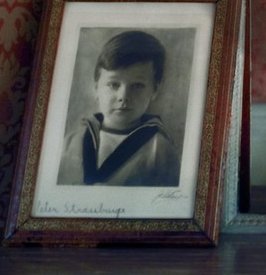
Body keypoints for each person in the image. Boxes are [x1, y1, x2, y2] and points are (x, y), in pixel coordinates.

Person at [56, 29, 182, 187]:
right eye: (113, 84)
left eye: (137, 86)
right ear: (96, 88)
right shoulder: (70, 142)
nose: (123, 96)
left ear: (155, 90)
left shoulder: (160, 150)